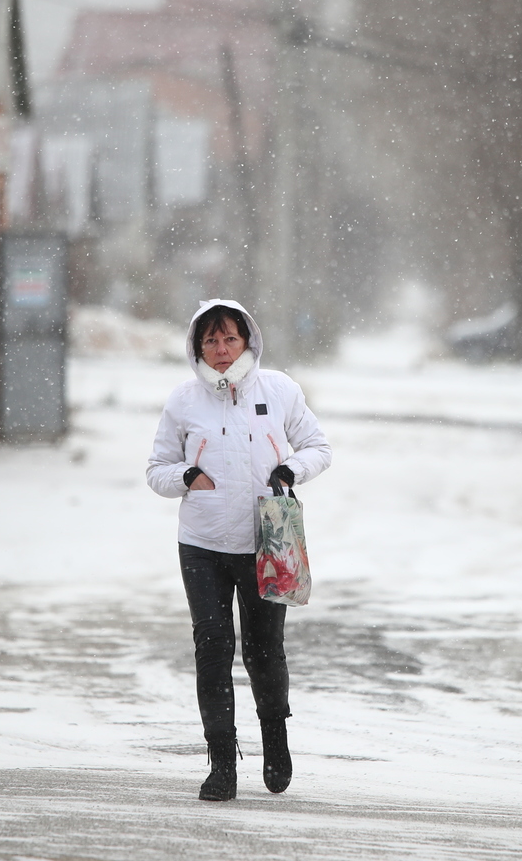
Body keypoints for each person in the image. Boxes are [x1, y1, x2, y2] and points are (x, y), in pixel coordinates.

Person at [146, 300, 332, 801]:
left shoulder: (280, 389)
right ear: (197, 348)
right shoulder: (184, 400)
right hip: (202, 546)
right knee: (212, 648)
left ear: (247, 339)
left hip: (264, 542)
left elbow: (318, 446)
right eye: (211, 341)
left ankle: (275, 739)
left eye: (229, 338)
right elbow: (156, 469)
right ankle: (221, 763)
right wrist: (186, 476)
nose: (222, 350)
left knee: (264, 651)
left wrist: (291, 470)